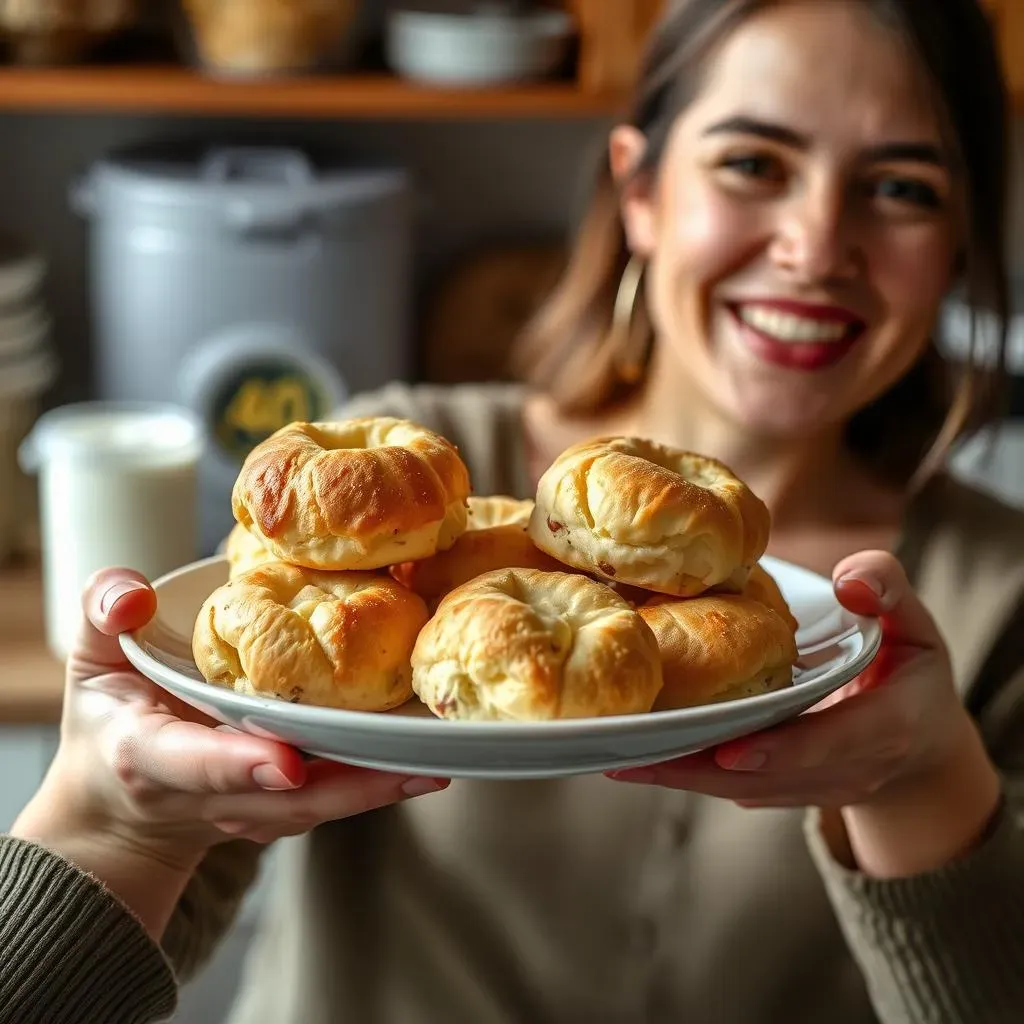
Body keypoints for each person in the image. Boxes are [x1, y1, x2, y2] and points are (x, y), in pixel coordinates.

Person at [3, 0, 1024, 1021]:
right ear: (642, 190)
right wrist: (113, 828)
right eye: (753, 163)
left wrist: (924, 784)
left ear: (959, 236)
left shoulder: (990, 596)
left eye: (900, 186)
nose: (814, 244)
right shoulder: (392, 527)